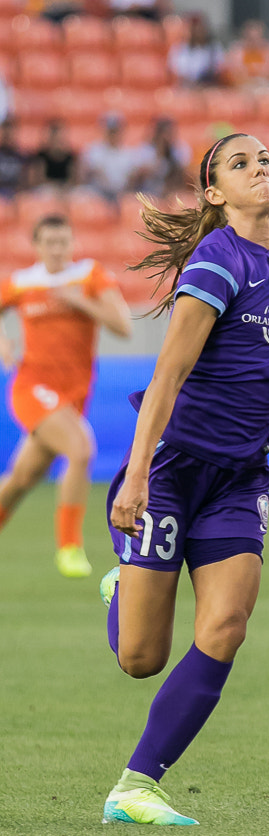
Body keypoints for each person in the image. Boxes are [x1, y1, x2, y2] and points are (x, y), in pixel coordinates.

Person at [98, 133, 269, 825]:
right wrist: (138, 476)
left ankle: (137, 785)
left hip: (241, 477)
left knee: (227, 625)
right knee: (141, 658)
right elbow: (168, 375)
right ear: (214, 193)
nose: (260, 168)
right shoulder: (215, 259)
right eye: (240, 163)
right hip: (171, 469)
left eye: (264, 159)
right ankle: (122, 583)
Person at [0, 214, 131, 577]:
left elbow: (123, 326)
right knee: (81, 448)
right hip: (31, 387)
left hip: (73, 395)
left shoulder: (88, 276)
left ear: (72, 244)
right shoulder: (23, 282)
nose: (57, 249)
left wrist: (80, 303)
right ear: (37, 246)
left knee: (22, 478)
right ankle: (69, 547)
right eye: (49, 242)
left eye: (63, 242)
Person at [80, 113, 146, 204]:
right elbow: (86, 175)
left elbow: (133, 179)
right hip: (98, 194)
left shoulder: (129, 153)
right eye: (111, 131)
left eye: (116, 131)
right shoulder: (93, 151)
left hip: (122, 194)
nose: (113, 134)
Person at [135, 117, 191, 198]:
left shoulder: (180, 149)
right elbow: (143, 174)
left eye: (170, 133)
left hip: (173, 192)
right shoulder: (146, 150)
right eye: (164, 133)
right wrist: (160, 152)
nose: (167, 137)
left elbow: (184, 173)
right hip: (150, 192)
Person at [168, 12, 226, 87]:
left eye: (200, 28)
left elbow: (219, 70)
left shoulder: (214, 48)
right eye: (194, 28)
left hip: (208, 88)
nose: (197, 31)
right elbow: (177, 72)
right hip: (186, 88)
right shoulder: (179, 49)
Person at [222, 19, 269, 91]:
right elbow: (234, 76)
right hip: (241, 90)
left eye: (256, 38)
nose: (254, 42)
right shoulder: (236, 52)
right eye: (250, 38)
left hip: (265, 89)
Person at [31, 120, 79, 191]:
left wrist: (64, 187)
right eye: (55, 137)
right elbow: (38, 180)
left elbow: (75, 180)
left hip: (66, 190)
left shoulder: (70, 156)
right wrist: (55, 186)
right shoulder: (41, 156)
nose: (57, 141)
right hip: (47, 189)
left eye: (60, 138)